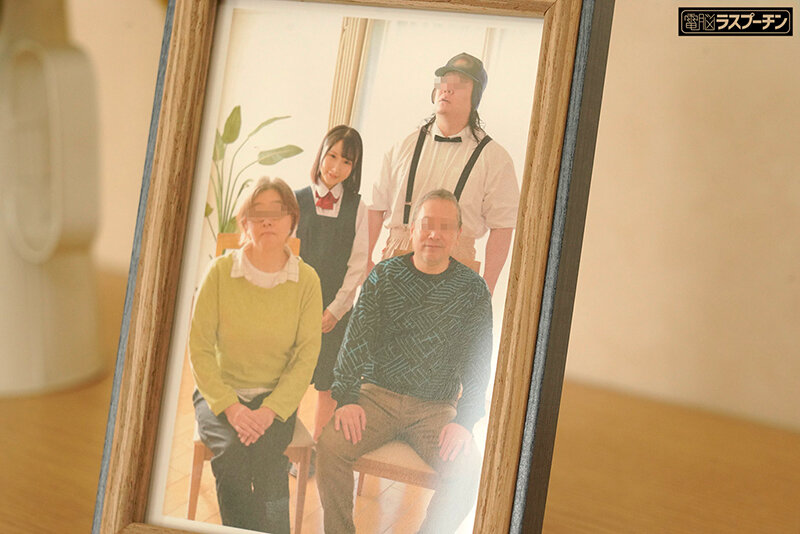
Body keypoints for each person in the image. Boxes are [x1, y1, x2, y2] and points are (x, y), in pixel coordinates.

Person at [317, 189, 493, 534]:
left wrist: (465, 421)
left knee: (468, 470)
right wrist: (347, 398)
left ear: (458, 234)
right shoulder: (384, 276)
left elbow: (478, 363)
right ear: (413, 229)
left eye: (445, 227)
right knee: (330, 446)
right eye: (426, 224)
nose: (434, 234)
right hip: (376, 398)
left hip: (435, 409)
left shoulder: (473, 291)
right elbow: (355, 342)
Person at [189, 177, 322, 533]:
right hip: (220, 393)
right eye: (257, 213)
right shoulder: (219, 273)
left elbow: (306, 357)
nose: (267, 221)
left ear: (292, 220)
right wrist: (231, 407)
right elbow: (199, 348)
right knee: (231, 457)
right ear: (244, 222)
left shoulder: (307, 281)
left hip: (275, 397)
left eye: (276, 213)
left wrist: (270, 411)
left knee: (268, 463)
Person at [368, 52, 520, 294]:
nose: (447, 88)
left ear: (476, 96)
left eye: (460, 83)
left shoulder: (494, 158)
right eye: (444, 81)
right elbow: (375, 207)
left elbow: (502, 226)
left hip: (457, 264)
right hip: (397, 256)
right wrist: (365, 262)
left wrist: (486, 289)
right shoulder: (403, 146)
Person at [294, 125, 369, 441]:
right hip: (297, 308)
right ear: (321, 154)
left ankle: (316, 447)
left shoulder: (358, 208)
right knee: (292, 378)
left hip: (335, 312)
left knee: (327, 382)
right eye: (332, 156)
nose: (336, 167)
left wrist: (336, 310)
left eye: (346, 161)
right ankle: (283, 444)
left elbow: (358, 265)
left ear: (354, 167)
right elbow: (287, 258)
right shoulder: (296, 200)